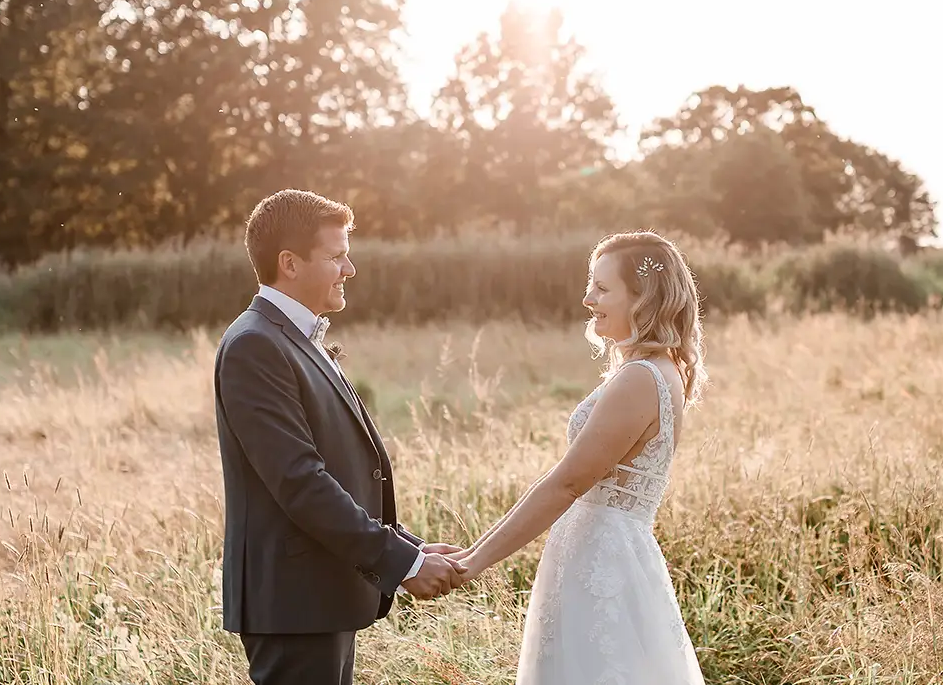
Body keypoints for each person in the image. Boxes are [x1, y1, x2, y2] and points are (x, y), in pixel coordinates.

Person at [213, 189, 466, 685]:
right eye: (336, 256)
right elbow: (301, 482)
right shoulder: (254, 345)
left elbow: (336, 472)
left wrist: (409, 546)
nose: (349, 269)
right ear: (289, 263)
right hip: (293, 602)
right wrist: (403, 563)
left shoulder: (289, 336)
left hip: (318, 594)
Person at [448, 231, 707, 684]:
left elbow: (566, 484)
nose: (588, 299)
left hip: (602, 567)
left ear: (643, 297)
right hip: (601, 555)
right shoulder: (652, 370)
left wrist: (473, 561)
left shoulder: (640, 378)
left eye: (602, 288)